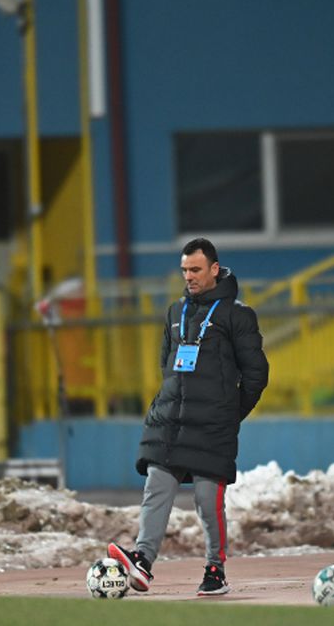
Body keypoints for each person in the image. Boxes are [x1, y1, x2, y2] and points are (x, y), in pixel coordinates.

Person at [108, 238, 269, 596]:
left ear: (214, 269)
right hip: (170, 421)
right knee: (156, 487)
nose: (189, 277)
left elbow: (257, 374)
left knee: (207, 501)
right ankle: (143, 561)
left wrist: (230, 414)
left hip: (213, 425)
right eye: (184, 270)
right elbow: (167, 366)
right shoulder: (173, 312)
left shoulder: (238, 315)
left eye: (195, 270)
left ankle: (216, 568)